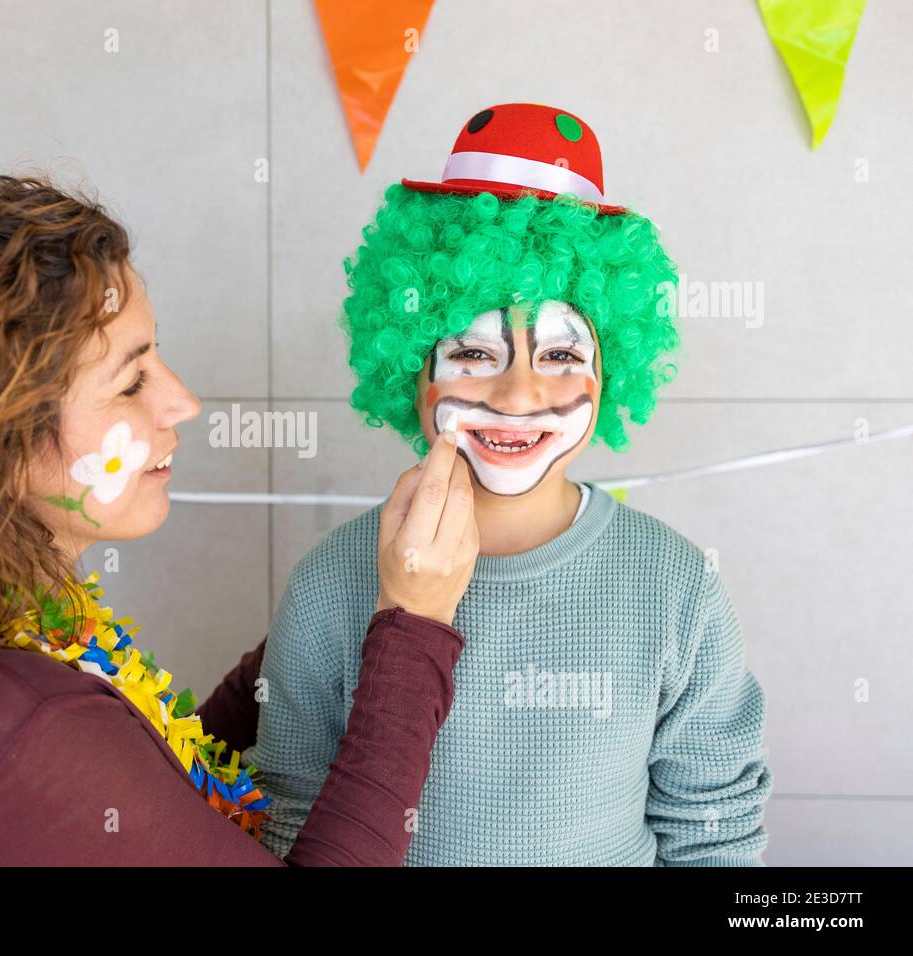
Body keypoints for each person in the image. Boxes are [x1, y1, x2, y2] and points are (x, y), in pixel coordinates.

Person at [0, 174, 480, 865]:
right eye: (131, 383)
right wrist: (412, 626)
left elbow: (152, 775)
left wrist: (329, 617)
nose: (182, 403)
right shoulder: (31, 723)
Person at [250, 104, 773, 866]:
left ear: (610, 368)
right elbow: (293, 823)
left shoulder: (678, 587)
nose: (520, 396)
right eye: (472, 352)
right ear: (413, 372)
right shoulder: (329, 584)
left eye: (561, 355)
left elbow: (714, 831)